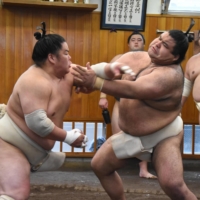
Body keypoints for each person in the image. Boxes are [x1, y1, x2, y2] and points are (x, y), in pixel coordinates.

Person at [72, 29, 197, 200]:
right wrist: (88, 78)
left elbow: (134, 89)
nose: (157, 43)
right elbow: (108, 70)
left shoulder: (171, 75)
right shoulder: (136, 57)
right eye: (159, 38)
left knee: (173, 185)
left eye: (165, 45)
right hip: (132, 136)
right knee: (99, 165)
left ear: (175, 57)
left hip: (163, 135)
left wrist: (94, 82)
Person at [0, 22, 88, 200]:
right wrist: (68, 137)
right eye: (66, 53)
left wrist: (112, 71)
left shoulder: (67, 73)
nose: (70, 57)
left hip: (31, 148)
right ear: (52, 58)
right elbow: (37, 123)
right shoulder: (34, 80)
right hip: (9, 143)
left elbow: (94, 73)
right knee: (15, 193)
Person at [99, 31, 157, 179]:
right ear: (128, 43)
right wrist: (103, 97)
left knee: (144, 135)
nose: (136, 42)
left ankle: (143, 169)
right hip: (121, 100)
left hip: (142, 103)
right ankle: (113, 167)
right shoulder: (119, 59)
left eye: (139, 40)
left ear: (144, 43)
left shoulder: (150, 59)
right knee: (118, 135)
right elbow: (106, 77)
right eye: (133, 40)